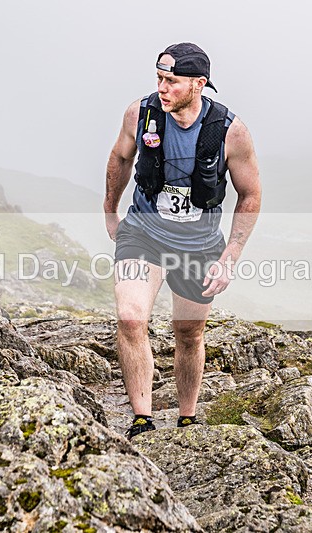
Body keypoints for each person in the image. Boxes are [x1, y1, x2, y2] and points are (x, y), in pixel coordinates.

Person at [104, 43, 262, 439]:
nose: (162, 87)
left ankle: (187, 417)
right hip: (144, 232)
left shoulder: (230, 131)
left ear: (199, 83)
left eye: (171, 81)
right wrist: (110, 209)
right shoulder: (139, 114)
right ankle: (142, 418)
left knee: (188, 332)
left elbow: (251, 194)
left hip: (200, 243)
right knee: (130, 317)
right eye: (159, 78)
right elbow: (121, 157)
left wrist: (232, 253)